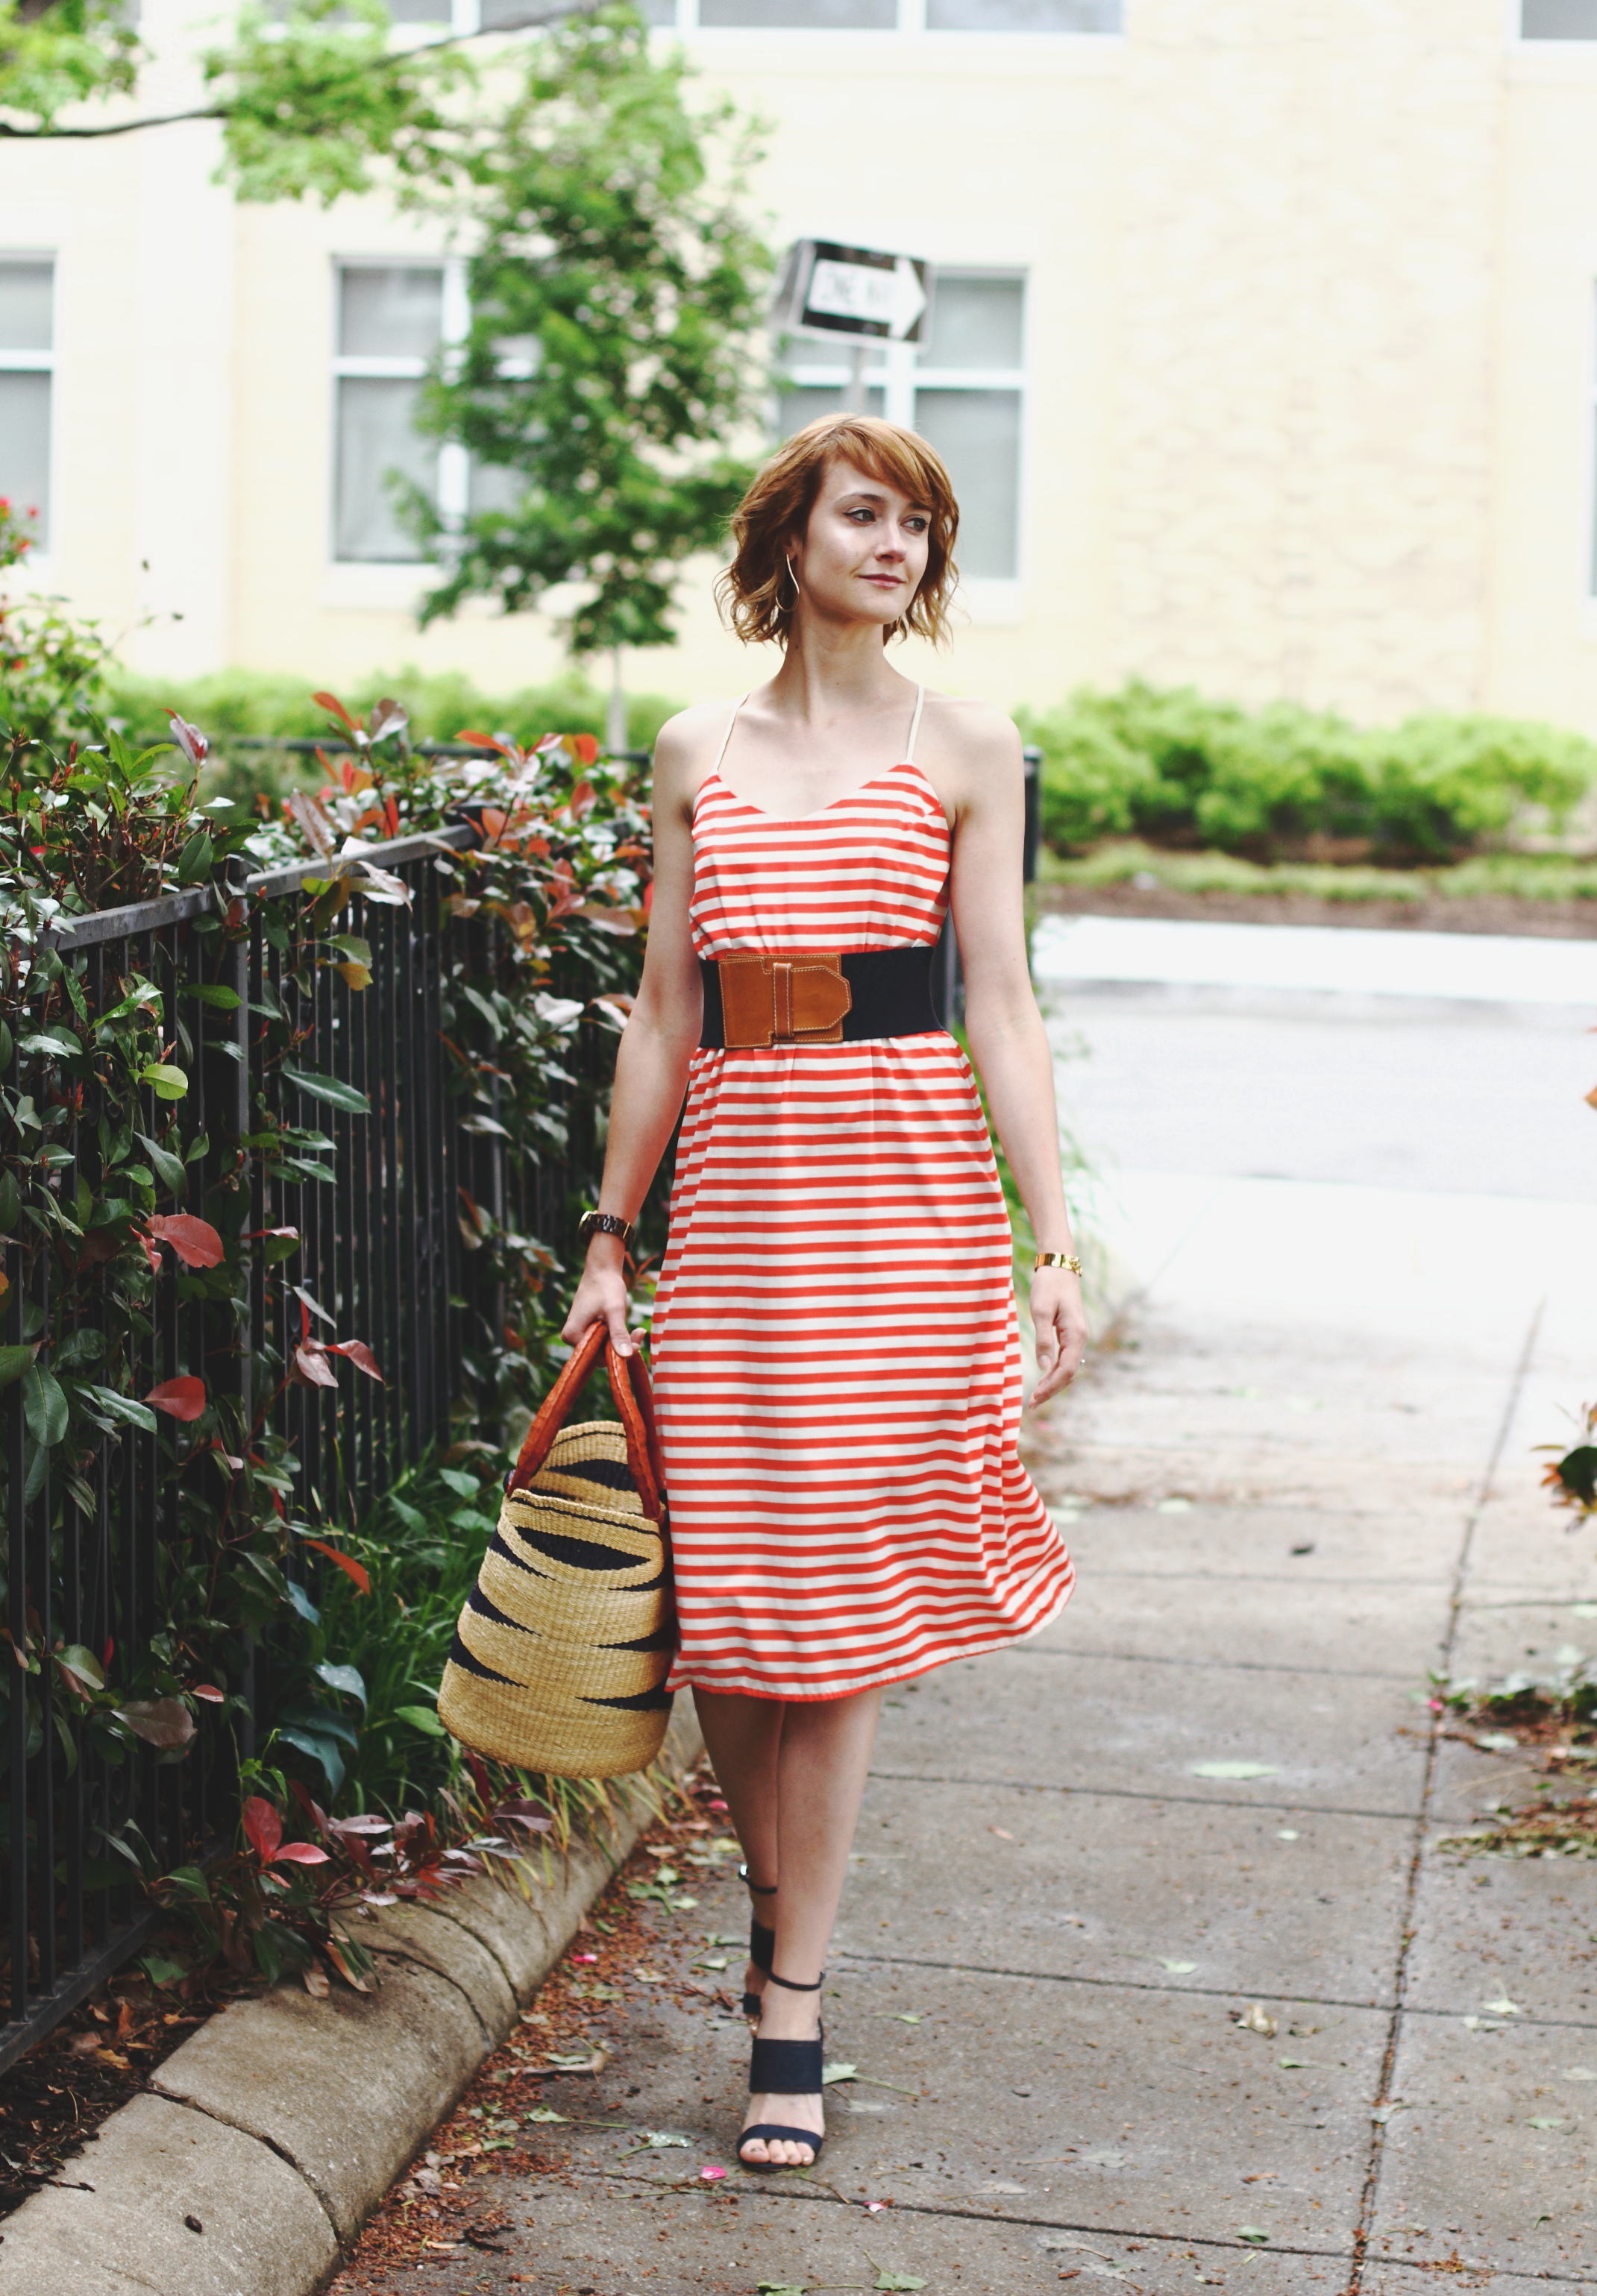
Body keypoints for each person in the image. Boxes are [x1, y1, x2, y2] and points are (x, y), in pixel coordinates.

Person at [562, 412, 1082, 2171]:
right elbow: (662, 1010)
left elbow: (998, 998)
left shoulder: (969, 745)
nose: (898, 550)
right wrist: (606, 1240)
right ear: (789, 539)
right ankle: (780, 1907)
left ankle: (790, 2004)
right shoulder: (693, 744)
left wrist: (1052, 1242)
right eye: (866, 517)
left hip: (906, 1206)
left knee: (839, 1618)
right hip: (735, 1207)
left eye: (920, 530)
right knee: (726, 1606)